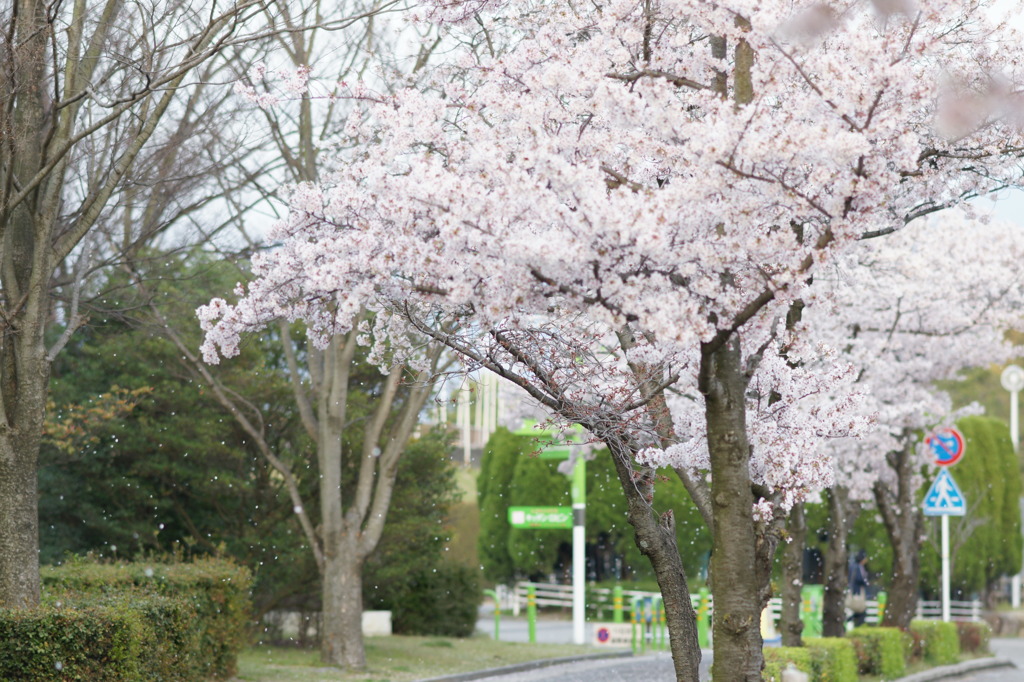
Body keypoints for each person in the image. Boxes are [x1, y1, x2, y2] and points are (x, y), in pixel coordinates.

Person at [848, 550, 869, 627]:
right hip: (857, 592)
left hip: (854, 590)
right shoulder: (858, 567)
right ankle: (857, 625)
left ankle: (850, 620)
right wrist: (865, 582)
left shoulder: (852, 566)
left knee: (858, 611)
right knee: (861, 611)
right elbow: (859, 578)